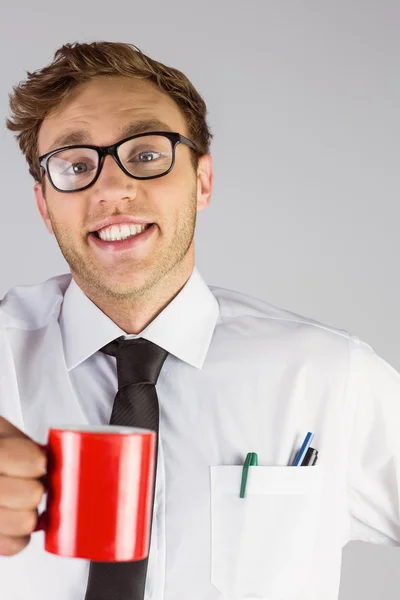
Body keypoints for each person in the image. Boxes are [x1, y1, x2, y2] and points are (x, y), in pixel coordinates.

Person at [0, 40, 399, 600]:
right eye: (75, 165)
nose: (112, 187)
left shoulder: (333, 376)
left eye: (145, 154)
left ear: (202, 181)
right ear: (45, 205)